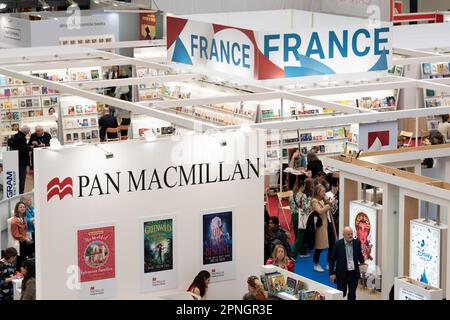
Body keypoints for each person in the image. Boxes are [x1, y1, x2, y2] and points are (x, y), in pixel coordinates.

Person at [329, 227, 366, 300]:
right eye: (348, 234)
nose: (350, 236)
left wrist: (363, 264)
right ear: (343, 235)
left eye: (351, 234)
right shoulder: (338, 244)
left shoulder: (357, 243)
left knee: (352, 295)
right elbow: (332, 259)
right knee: (341, 294)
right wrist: (331, 273)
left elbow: (360, 256)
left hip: (353, 274)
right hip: (341, 274)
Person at [289, 179, 312, 260]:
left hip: (293, 216)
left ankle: (299, 251)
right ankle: (293, 255)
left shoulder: (291, 195)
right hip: (301, 216)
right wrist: (310, 202)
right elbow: (306, 208)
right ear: (302, 186)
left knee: (297, 235)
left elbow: (290, 206)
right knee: (300, 236)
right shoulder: (303, 195)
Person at [311, 184, 331, 272]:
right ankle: (316, 263)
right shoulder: (314, 201)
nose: (324, 193)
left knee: (324, 244)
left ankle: (323, 262)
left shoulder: (322, 200)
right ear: (318, 192)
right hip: (320, 226)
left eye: (324, 191)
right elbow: (319, 210)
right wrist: (327, 206)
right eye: (322, 191)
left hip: (325, 224)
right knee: (319, 245)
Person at [11, 202, 34, 267]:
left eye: (23, 207)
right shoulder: (14, 221)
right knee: (20, 259)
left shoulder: (24, 217)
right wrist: (25, 238)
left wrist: (27, 237)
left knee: (25, 258)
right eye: (21, 207)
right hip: (19, 242)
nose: (22, 208)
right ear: (17, 209)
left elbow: (25, 230)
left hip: (24, 241)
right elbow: (15, 235)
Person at [10, 125, 32, 194]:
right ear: (25, 131)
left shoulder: (15, 136)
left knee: (17, 177)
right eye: (28, 132)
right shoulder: (21, 138)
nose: (28, 133)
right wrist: (30, 148)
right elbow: (23, 150)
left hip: (15, 159)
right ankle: (21, 192)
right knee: (22, 178)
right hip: (22, 161)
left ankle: (17, 192)